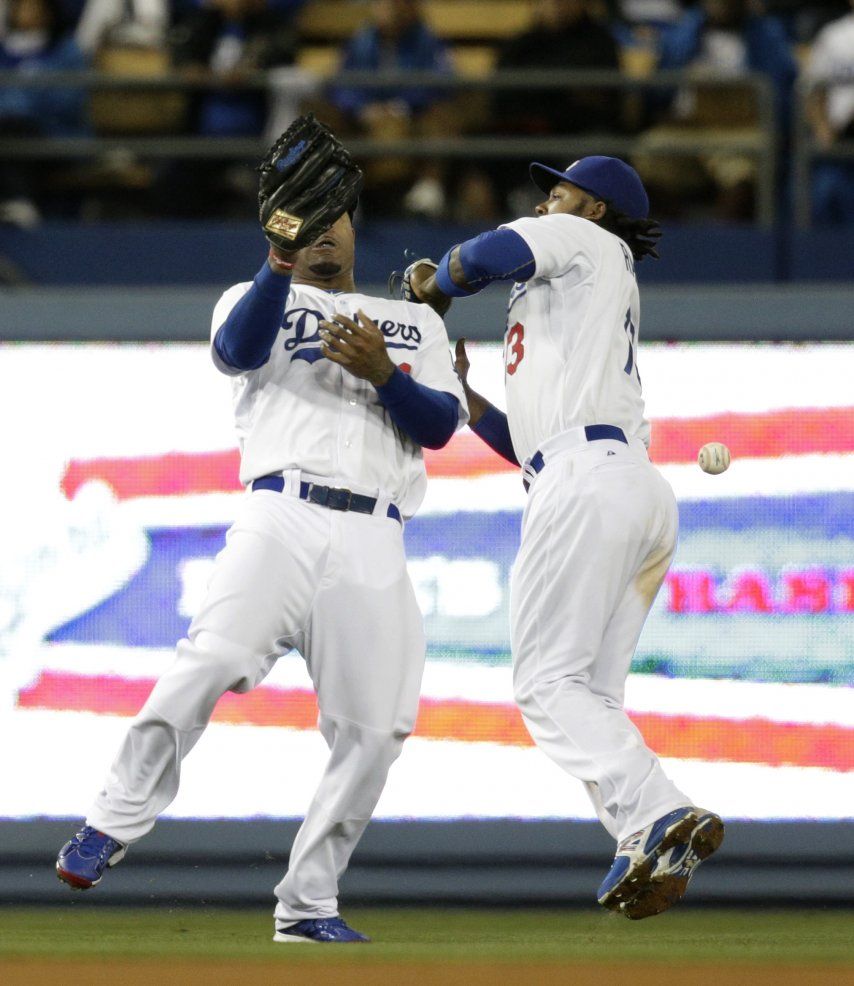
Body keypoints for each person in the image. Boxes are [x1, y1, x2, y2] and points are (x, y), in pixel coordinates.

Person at [55, 205, 468, 942]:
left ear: (353, 227)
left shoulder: (414, 323)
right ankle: (109, 822)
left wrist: (383, 373)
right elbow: (238, 351)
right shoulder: (255, 295)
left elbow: (439, 425)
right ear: (280, 233)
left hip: (376, 530)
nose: (324, 231)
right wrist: (276, 267)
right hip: (282, 513)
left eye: (335, 216)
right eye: (307, 219)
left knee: (376, 730)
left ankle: (308, 906)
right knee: (211, 658)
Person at [402, 155, 723, 919]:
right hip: (621, 482)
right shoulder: (575, 290)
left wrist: (434, 285)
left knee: (545, 686)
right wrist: (471, 399)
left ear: (598, 208)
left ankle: (658, 805)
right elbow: (528, 443)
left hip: (586, 483)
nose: (550, 199)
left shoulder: (579, 239)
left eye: (564, 190)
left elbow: (481, 256)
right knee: (590, 696)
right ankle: (645, 835)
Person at [805, 0, 854, 224]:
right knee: (825, 192)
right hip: (839, 145)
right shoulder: (834, 36)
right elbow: (812, 92)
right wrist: (821, 128)